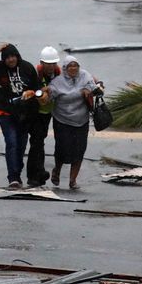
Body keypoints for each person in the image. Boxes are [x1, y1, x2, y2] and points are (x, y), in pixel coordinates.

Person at [0, 43, 42, 188]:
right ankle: (13, 177)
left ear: (17, 56)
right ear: (4, 59)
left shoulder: (27, 68)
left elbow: (37, 89)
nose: (11, 60)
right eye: (7, 57)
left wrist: (30, 93)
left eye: (13, 57)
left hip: (24, 113)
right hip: (5, 112)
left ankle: (17, 171)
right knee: (11, 142)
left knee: (21, 145)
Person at [46, 54, 99, 190]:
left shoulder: (85, 76)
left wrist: (92, 90)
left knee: (79, 150)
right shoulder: (57, 82)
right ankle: (57, 170)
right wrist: (43, 94)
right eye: (70, 66)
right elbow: (49, 96)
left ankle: (72, 180)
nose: (73, 68)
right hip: (62, 120)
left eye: (76, 65)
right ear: (65, 68)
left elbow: (97, 89)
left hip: (82, 120)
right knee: (62, 150)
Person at [23, 47, 66, 187]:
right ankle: (33, 176)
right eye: (48, 63)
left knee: (40, 142)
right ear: (42, 62)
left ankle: (40, 172)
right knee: (36, 143)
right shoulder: (34, 74)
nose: (51, 66)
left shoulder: (59, 73)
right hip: (35, 113)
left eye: (54, 63)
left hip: (49, 113)